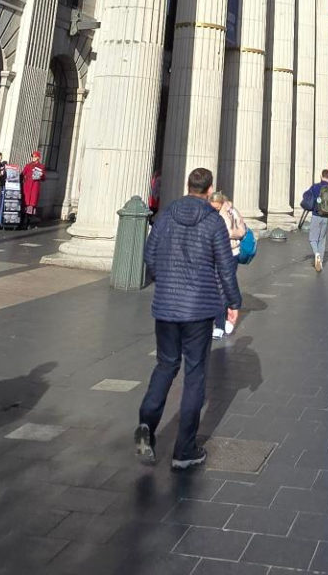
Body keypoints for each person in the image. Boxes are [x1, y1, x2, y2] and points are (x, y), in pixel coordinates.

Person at [134, 168, 240, 473]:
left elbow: (149, 255)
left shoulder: (166, 215)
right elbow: (225, 267)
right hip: (199, 308)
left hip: (166, 306)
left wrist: (164, 280)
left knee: (166, 365)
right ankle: (184, 450)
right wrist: (233, 302)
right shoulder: (212, 221)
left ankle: (146, 425)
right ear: (209, 191)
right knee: (195, 374)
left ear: (187, 185)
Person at [211, 191, 246, 340]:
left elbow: (241, 231)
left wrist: (228, 233)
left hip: (230, 253)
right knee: (222, 287)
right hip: (224, 253)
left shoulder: (230, 212)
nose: (214, 210)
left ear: (221, 203)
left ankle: (220, 324)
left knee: (222, 287)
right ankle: (224, 319)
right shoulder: (222, 212)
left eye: (216, 207)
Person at [299, 168, 328, 272]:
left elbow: (305, 195)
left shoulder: (315, 187)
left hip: (316, 214)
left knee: (312, 238)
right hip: (326, 216)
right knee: (322, 239)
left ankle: (316, 254)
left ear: (321, 176)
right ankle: (321, 261)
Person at [20, 149, 47, 225]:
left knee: (31, 206)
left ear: (38, 157)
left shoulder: (41, 166)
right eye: (33, 156)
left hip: (34, 188)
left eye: (35, 157)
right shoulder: (28, 165)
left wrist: (41, 176)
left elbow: (44, 178)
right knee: (24, 204)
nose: (33, 158)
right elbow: (22, 174)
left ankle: (27, 222)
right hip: (27, 187)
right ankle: (22, 221)